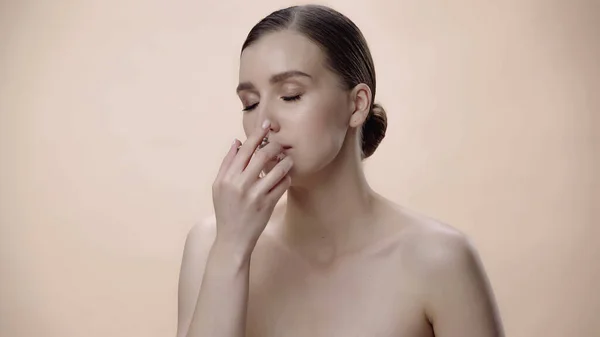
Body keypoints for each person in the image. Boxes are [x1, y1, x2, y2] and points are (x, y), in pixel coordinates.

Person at [176, 4, 504, 337]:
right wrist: (231, 251)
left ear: (357, 104)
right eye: (250, 102)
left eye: (291, 96)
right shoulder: (211, 246)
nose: (263, 122)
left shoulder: (440, 261)